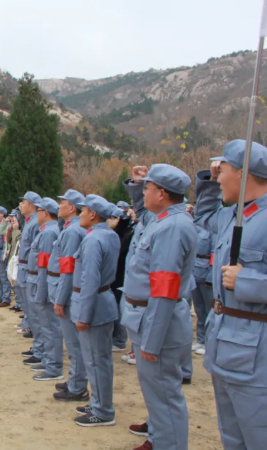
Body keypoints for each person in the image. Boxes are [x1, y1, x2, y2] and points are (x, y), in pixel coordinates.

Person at [195, 140, 267, 450]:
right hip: (224, 345)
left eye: (222, 171)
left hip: (255, 354)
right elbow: (202, 217)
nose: (219, 177)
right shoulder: (232, 216)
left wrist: (248, 280)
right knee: (232, 437)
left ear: (242, 173)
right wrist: (209, 182)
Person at [122, 164, 196, 450]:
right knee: (159, 398)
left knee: (165, 399)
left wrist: (152, 340)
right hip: (149, 320)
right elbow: (142, 210)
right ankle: (160, 439)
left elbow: (164, 290)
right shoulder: (163, 219)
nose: (144, 193)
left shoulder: (171, 227)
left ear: (162, 194)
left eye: (148, 188)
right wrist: (138, 182)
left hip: (158, 327)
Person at [71, 195, 120, 427]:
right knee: (99, 359)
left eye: (82, 210)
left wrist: (83, 315)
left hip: (94, 305)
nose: (79, 214)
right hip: (103, 300)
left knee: (96, 360)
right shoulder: (108, 234)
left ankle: (102, 411)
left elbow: (90, 279)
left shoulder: (93, 239)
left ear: (92, 214)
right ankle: (99, 402)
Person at [50, 189, 89, 402]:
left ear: (72, 207)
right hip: (68, 290)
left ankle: (77, 386)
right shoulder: (70, 228)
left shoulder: (73, 231)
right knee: (73, 343)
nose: (59, 206)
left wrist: (60, 299)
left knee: (74, 344)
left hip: (68, 292)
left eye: (62, 202)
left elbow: (68, 269)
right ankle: (75, 379)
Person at [27, 198, 64, 381]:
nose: (37, 214)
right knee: (45, 325)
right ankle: (48, 359)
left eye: (39, 211)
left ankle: (53, 366)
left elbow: (45, 266)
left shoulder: (49, 233)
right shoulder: (46, 231)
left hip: (42, 283)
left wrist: (42, 292)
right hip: (38, 280)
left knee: (50, 327)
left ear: (46, 213)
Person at [187, 203, 216, 357]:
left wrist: (211, 276)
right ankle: (201, 338)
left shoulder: (212, 230)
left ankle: (210, 342)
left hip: (206, 272)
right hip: (194, 271)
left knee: (209, 309)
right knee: (199, 308)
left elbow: (214, 253)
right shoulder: (194, 227)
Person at [17, 192, 43, 336]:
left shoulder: (35, 223)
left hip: (29, 267)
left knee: (30, 299)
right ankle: (29, 324)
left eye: (24, 202)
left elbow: (36, 250)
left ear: (32, 206)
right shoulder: (29, 222)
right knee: (24, 297)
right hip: (23, 265)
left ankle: (33, 327)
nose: (21, 205)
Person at [108, 204, 132, 352]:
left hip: (120, 275)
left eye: (109, 218)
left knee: (117, 306)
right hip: (116, 274)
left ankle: (119, 339)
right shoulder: (116, 233)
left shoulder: (122, 234)